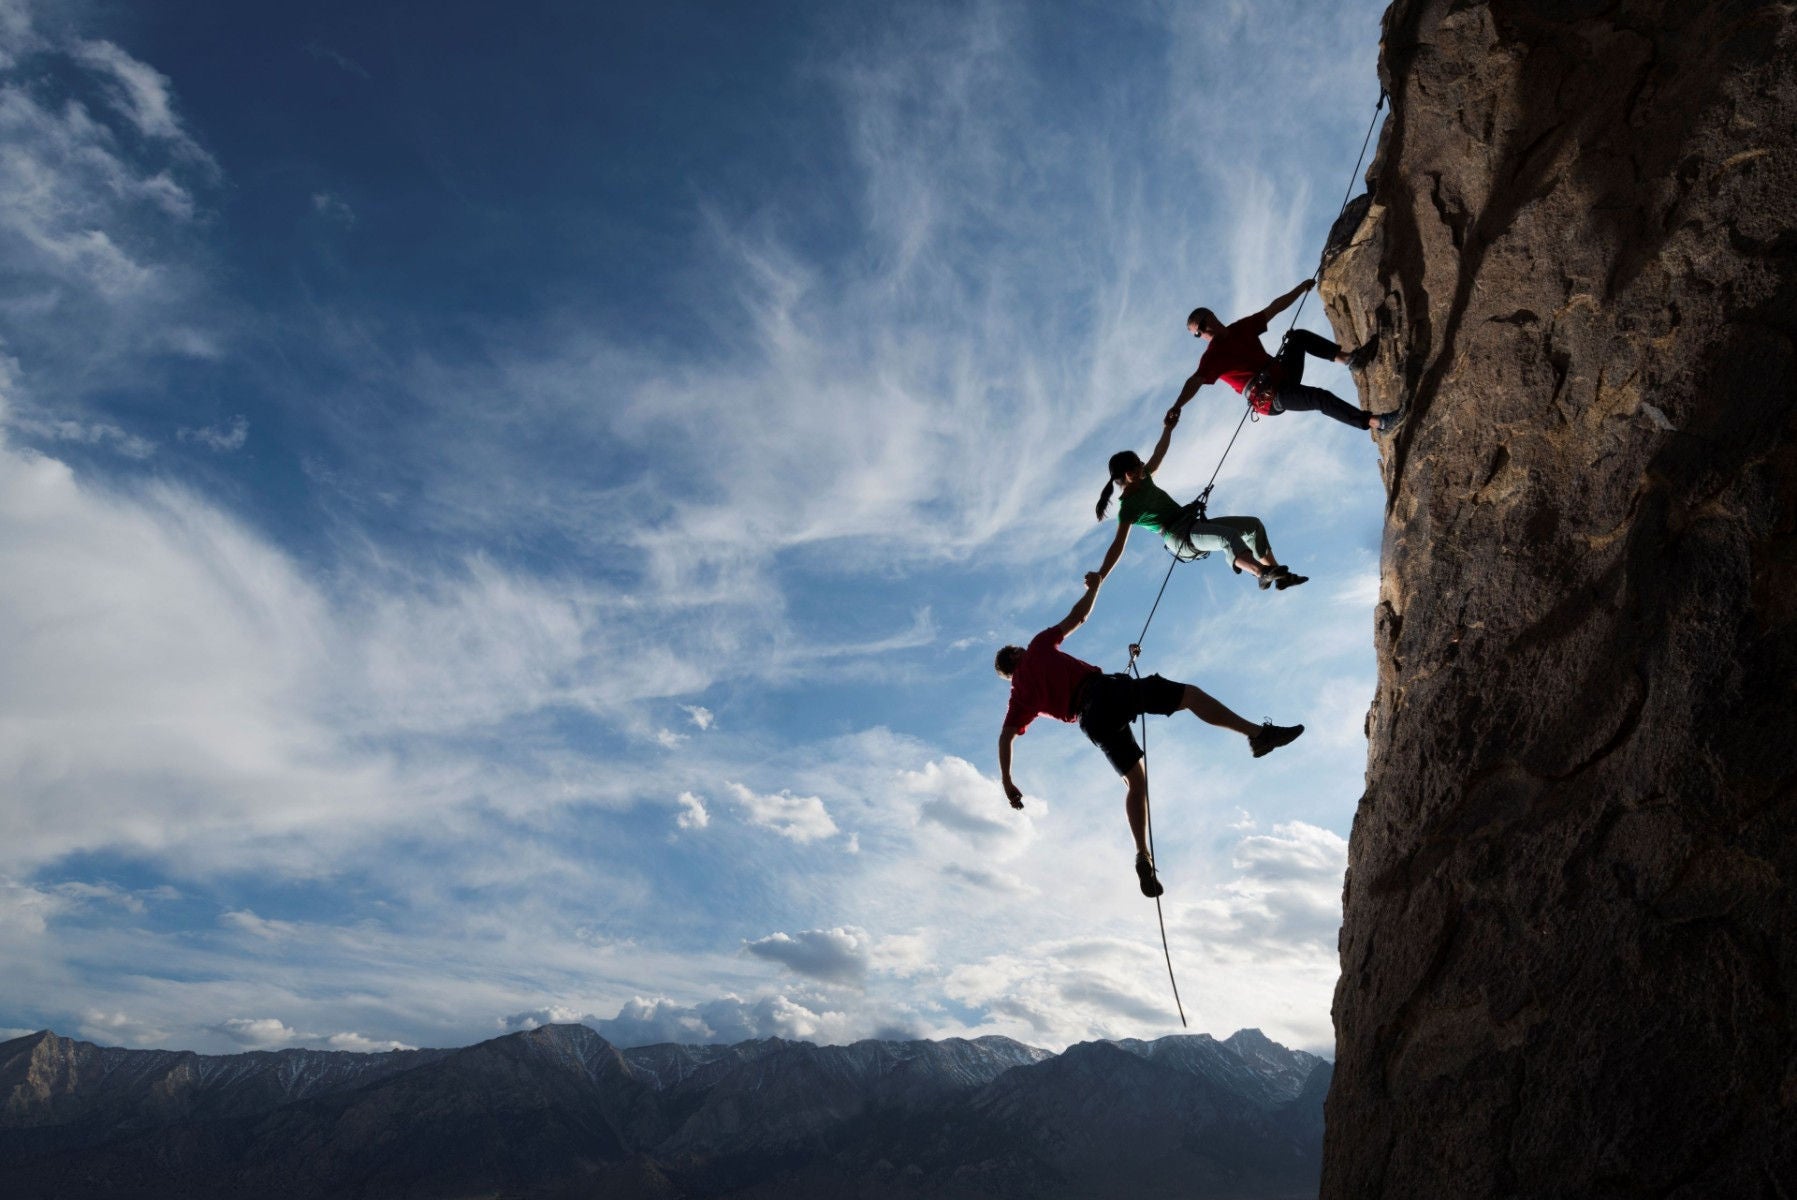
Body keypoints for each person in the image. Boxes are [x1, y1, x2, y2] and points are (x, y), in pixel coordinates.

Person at [995, 572, 1304, 898]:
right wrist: (1095, 586)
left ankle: (1143, 854)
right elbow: (1079, 616)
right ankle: (1258, 735)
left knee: (1136, 783)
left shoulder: (1019, 697)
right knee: (1190, 696)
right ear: (1016, 655)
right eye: (1017, 649)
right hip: (1102, 692)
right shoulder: (1037, 648)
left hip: (1091, 721)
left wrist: (1007, 781)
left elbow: (1005, 737)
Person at [1094, 406, 1307, 589]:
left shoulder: (1144, 477)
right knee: (1228, 537)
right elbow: (1117, 546)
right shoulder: (1128, 507)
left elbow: (1159, 453)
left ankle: (1278, 577)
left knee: (1253, 526)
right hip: (1178, 537)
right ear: (1129, 475)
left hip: (1190, 524)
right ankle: (1261, 573)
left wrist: (1167, 429)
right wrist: (1100, 576)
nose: (1143, 465)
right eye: (1138, 464)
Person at [1176, 279, 1401, 433]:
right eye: (1198, 333)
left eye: (1203, 324)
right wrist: (1177, 406)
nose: (1203, 332)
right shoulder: (1213, 356)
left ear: (1212, 316)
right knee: (1319, 398)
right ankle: (1377, 423)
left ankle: (1351, 360)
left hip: (1282, 372)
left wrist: (1300, 288)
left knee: (1298, 337)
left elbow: (1273, 308)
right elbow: (1194, 382)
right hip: (1270, 396)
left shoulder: (1240, 329)